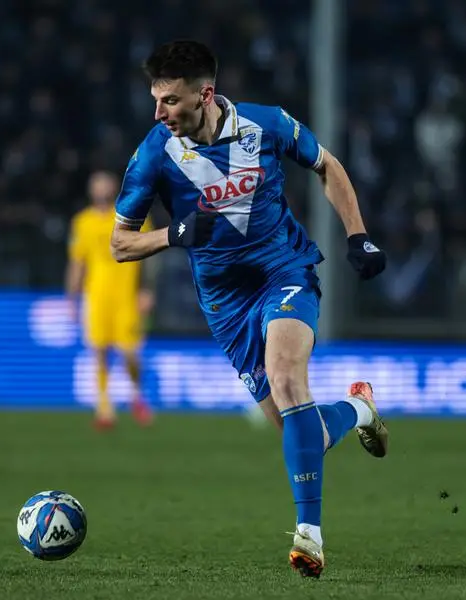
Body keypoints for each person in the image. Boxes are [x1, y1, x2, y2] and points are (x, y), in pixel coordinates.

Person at [110, 40, 388, 578]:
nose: (158, 112)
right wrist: (176, 234)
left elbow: (326, 166)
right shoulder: (153, 154)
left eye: (169, 100)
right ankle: (359, 410)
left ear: (205, 94)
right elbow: (120, 245)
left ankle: (310, 537)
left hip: (284, 272)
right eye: (156, 100)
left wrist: (359, 237)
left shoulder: (266, 124)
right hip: (225, 304)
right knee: (297, 432)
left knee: (288, 382)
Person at [67, 170, 155, 430]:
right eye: (97, 186)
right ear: (91, 191)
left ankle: (136, 395)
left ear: (114, 188)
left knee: (130, 353)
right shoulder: (82, 222)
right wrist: (71, 298)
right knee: (100, 352)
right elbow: (77, 262)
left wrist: (147, 289)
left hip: (126, 296)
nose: (102, 191)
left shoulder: (133, 215)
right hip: (96, 297)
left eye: (106, 186)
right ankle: (104, 408)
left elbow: (149, 252)